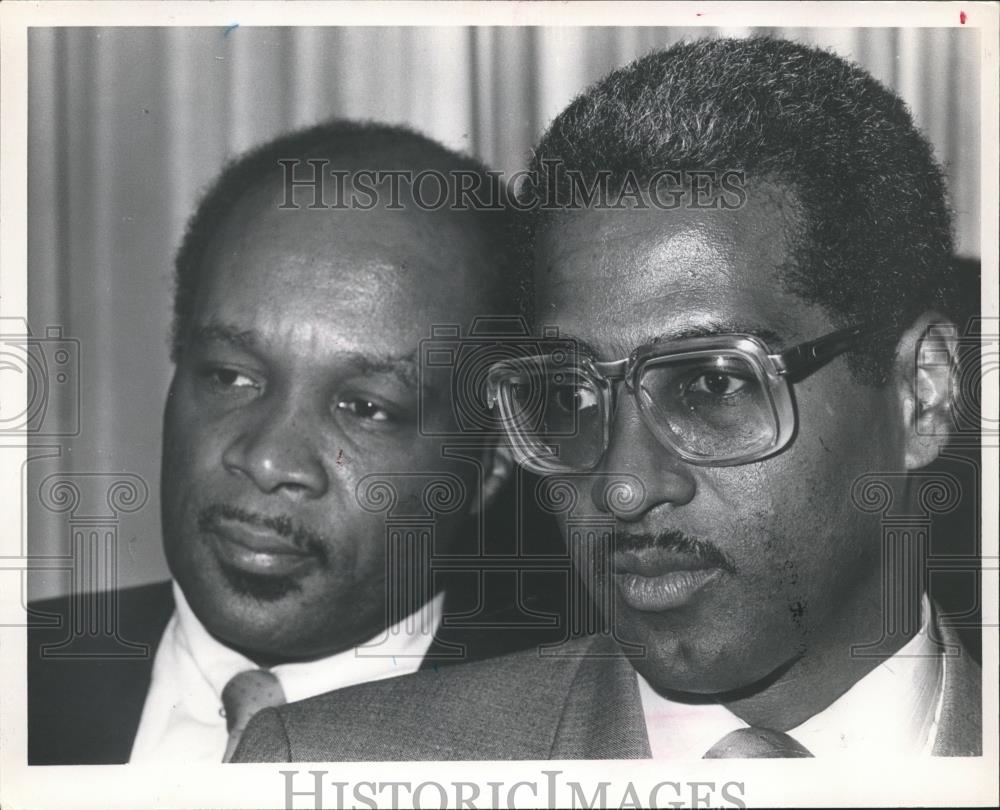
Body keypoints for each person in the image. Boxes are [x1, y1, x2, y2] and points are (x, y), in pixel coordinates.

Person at [234, 37, 982, 761]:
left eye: (711, 384)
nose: (622, 486)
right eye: (571, 396)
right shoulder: (330, 768)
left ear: (925, 390)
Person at [27, 120, 554, 764]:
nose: (269, 459)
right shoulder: (24, 685)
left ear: (490, 460)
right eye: (231, 376)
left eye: (364, 407)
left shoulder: (587, 745)